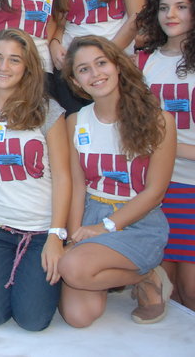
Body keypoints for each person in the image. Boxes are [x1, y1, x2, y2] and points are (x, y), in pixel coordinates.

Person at [58, 35, 175, 327]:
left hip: (137, 220)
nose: (95, 74)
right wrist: (73, 237)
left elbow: (155, 192)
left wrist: (106, 227)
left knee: (73, 268)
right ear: (75, 81)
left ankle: (147, 276)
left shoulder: (159, 120)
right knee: (78, 316)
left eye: (101, 63)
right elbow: (77, 186)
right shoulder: (75, 122)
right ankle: (136, 274)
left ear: (118, 66)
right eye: (84, 69)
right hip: (91, 213)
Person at [0, 29, 70, 331]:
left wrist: (56, 235)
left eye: (14, 60)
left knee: (32, 320)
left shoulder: (48, 111)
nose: (4, 67)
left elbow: (63, 177)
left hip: (40, 232)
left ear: (28, 67)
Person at [135, 0, 195, 311]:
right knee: (166, 292)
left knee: (191, 289)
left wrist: (169, 149)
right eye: (163, 7)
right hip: (157, 190)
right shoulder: (146, 62)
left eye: (181, 7)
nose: (170, 14)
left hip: (192, 186)